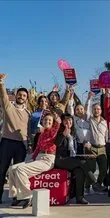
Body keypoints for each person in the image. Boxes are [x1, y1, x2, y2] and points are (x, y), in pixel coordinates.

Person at [8, 113, 60, 209]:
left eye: (49, 120)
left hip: (47, 159)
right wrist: (32, 158)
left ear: (53, 123)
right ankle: (16, 196)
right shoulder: (40, 134)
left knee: (20, 170)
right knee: (12, 168)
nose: (47, 121)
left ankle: (27, 196)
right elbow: (37, 149)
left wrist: (55, 116)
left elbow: (58, 124)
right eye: (45, 120)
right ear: (42, 122)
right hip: (38, 158)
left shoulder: (54, 132)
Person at [0, 74, 31, 204]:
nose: (21, 97)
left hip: (21, 146)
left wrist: (29, 143)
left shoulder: (29, 113)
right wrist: (1, 83)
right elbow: (3, 96)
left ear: (26, 99)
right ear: (16, 95)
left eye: (24, 95)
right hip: (6, 142)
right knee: (1, 170)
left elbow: (29, 131)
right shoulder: (8, 107)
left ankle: (17, 197)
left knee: (17, 172)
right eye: (19, 94)